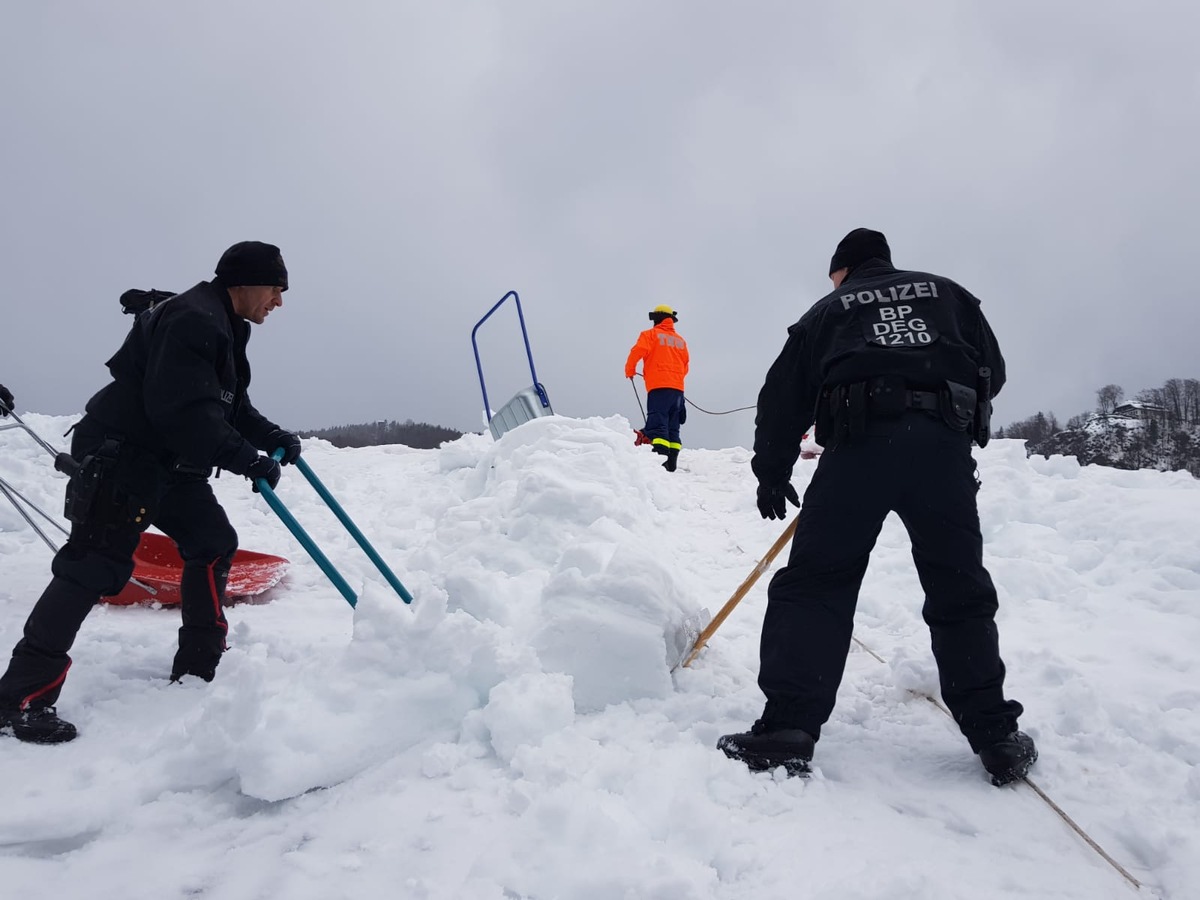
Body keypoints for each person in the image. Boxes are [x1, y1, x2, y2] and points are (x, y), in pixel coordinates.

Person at [717, 228, 1036, 787]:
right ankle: (996, 738)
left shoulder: (828, 309)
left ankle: (787, 729)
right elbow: (995, 372)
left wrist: (771, 473)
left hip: (859, 450)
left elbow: (781, 395)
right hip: (942, 450)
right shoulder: (949, 294)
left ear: (843, 270)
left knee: (817, 584)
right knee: (959, 589)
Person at [0, 241, 302, 744]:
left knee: (211, 541)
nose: (279, 301)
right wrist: (244, 458)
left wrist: (270, 437)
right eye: (276, 288)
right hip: (124, 455)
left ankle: (199, 664)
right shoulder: (195, 320)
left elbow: (226, 406)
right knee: (93, 565)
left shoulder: (226, 325)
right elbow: (183, 411)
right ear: (244, 282)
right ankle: (19, 699)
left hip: (166, 459)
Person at [625, 305, 689, 472]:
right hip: (678, 390)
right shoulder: (680, 340)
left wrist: (630, 369)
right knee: (673, 425)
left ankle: (660, 462)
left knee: (658, 422)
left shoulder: (650, 335)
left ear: (657, 319)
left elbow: (637, 351)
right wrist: (676, 380)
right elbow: (685, 365)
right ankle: (672, 462)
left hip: (659, 387)